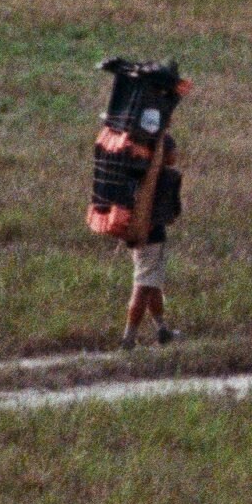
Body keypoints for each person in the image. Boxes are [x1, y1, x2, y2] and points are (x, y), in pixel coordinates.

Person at [86, 57, 183, 340]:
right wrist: (165, 142)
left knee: (151, 280)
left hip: (128, 218)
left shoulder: (130, 145)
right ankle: (128, 337)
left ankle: (162, 329)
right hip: (149, 227)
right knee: (144, 282)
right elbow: (172, 158)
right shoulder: (155, 145)